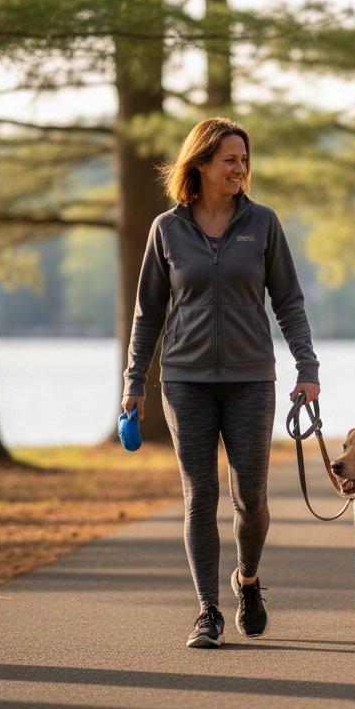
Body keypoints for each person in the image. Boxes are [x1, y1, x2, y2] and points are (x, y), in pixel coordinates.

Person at [121, 117, 320, 649]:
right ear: (202, 163)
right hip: (184, 380)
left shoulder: (263, 224)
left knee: (251, 498)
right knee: (198, 494)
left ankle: (247, 581)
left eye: (244, 160)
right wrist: (134, 381)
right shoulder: (166, 229)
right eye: (230, 159)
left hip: (251, 379)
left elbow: (288, 301)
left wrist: (308, 368)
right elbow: (148, 314)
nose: (240, 169)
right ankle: (207, 611)